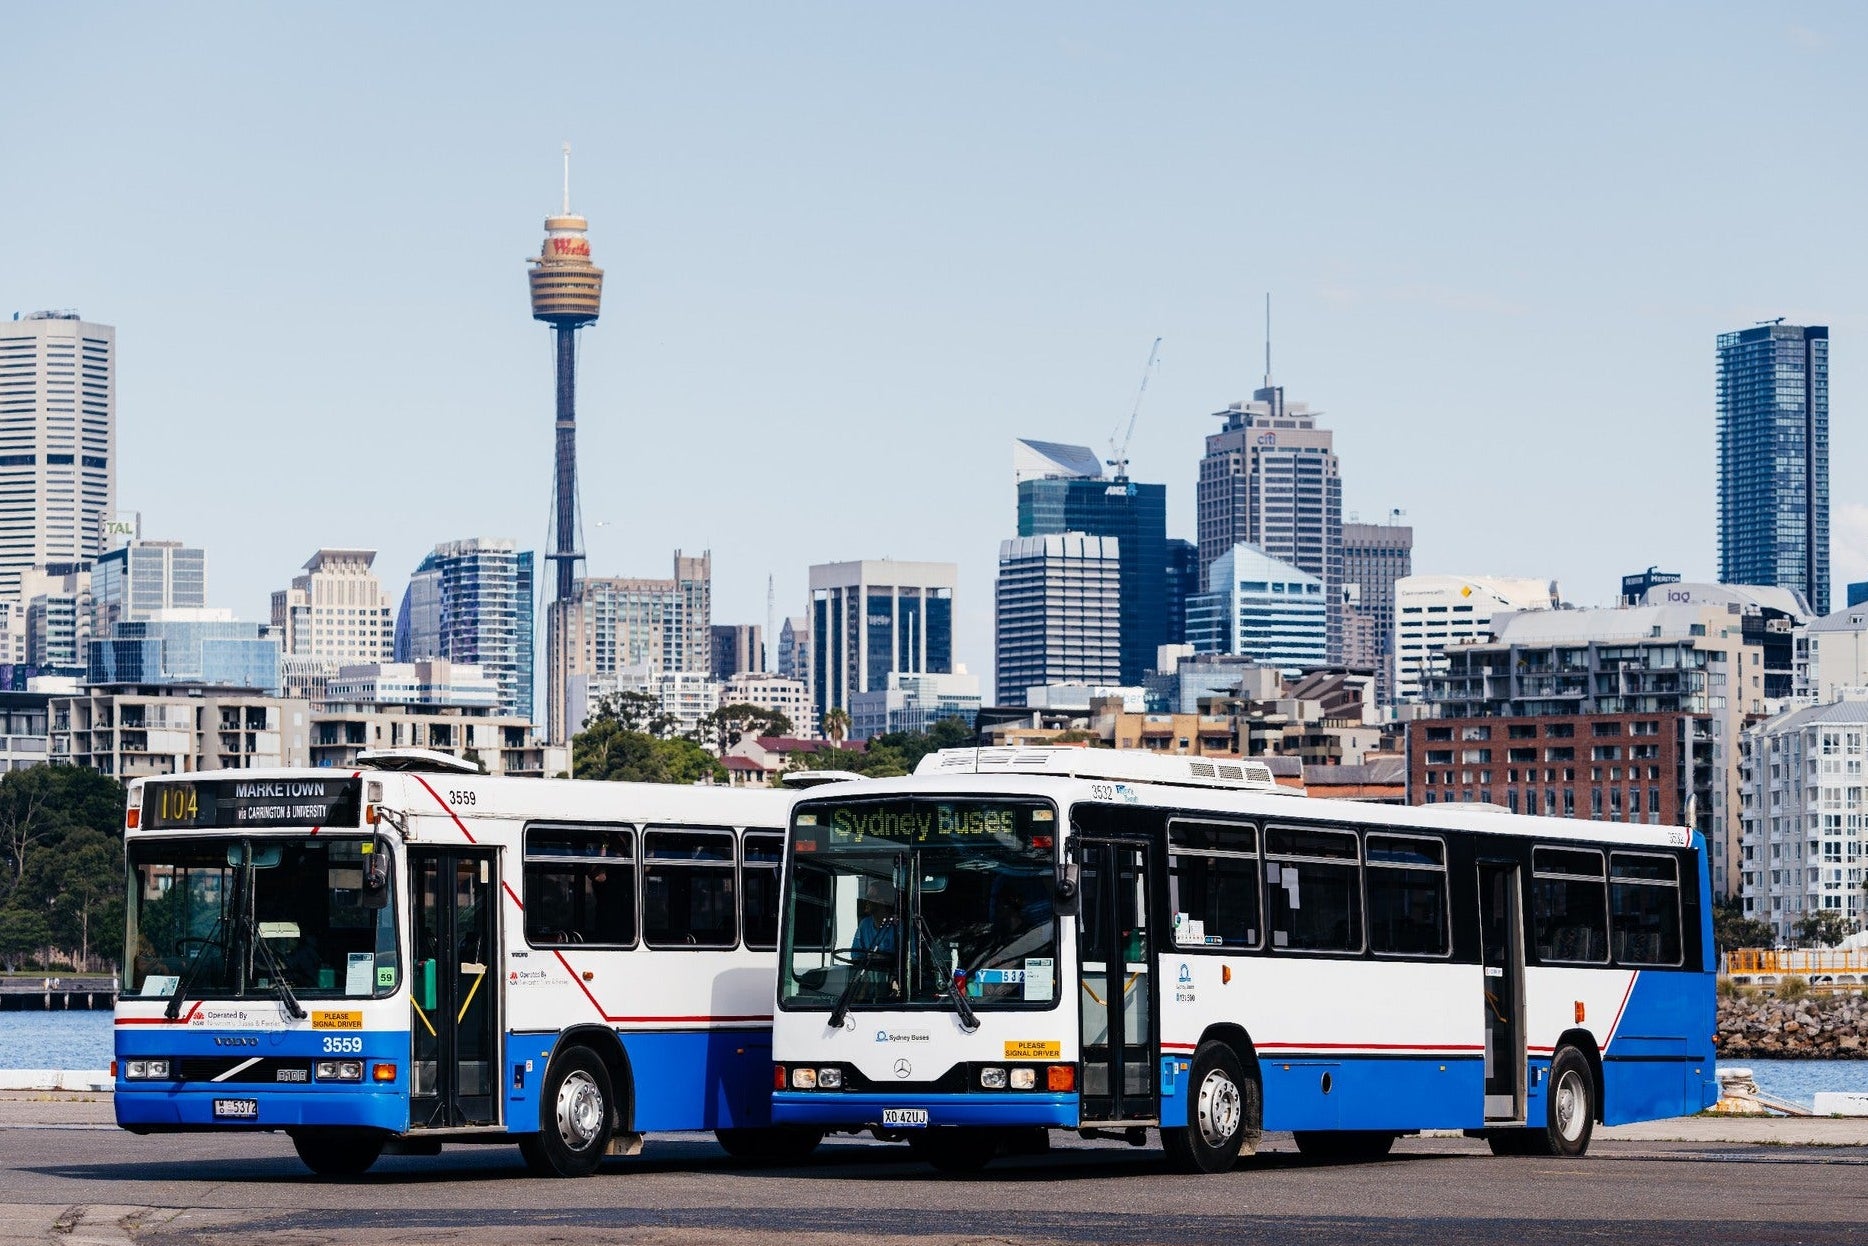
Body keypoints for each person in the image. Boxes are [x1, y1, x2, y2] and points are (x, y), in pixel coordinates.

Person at [852, 881, 898, 960]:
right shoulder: (864, 924)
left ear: (883, 901)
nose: (865, 900)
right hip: (869, 971)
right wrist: (867, 958)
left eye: (870, 897)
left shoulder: (898, 926)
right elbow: (855, 955)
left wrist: (885, 959)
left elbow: (909, 960)